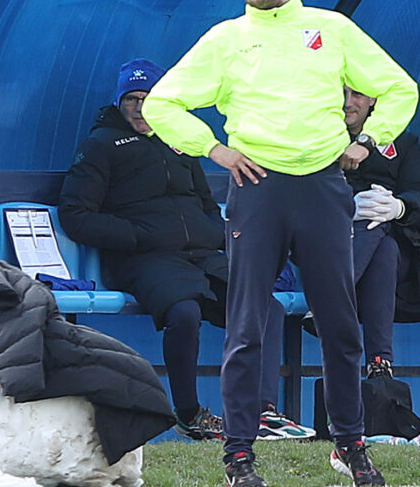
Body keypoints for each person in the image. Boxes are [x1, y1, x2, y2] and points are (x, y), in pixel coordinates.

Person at [142, 0, 417, 487]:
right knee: (247, 325)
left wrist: (369, 140)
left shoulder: (331, 28)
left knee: (340, 325)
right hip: (257, 187)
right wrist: (213, 149)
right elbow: (160, 103)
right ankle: (239, 456)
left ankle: (350, 445)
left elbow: (399, 87)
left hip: (323, 185)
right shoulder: (226, 39)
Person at [58, 58, 314, 443]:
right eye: (131, 99)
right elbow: (75, 215)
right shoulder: (101, 145)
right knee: (185, 312)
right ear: (119, 102)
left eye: (149, 98)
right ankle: (190, 414)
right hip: (143, 257)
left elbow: (205, 202)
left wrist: (213, 232)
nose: (140, 107)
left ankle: (261, 412)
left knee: (267, 307)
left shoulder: (180, 140)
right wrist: (137, 235)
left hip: (200, 254)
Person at [304, 86, 420, 380]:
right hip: (325, 247)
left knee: (379, 224)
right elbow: (299, 195)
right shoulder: (315, 135)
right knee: (382, 246)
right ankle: (380, 364)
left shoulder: (402, 141)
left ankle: (327, 301)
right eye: (341, 93)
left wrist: (399, 207)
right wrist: (347, 208)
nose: (347, 103)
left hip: (397, 257)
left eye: (357, 95)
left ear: (373, 99)